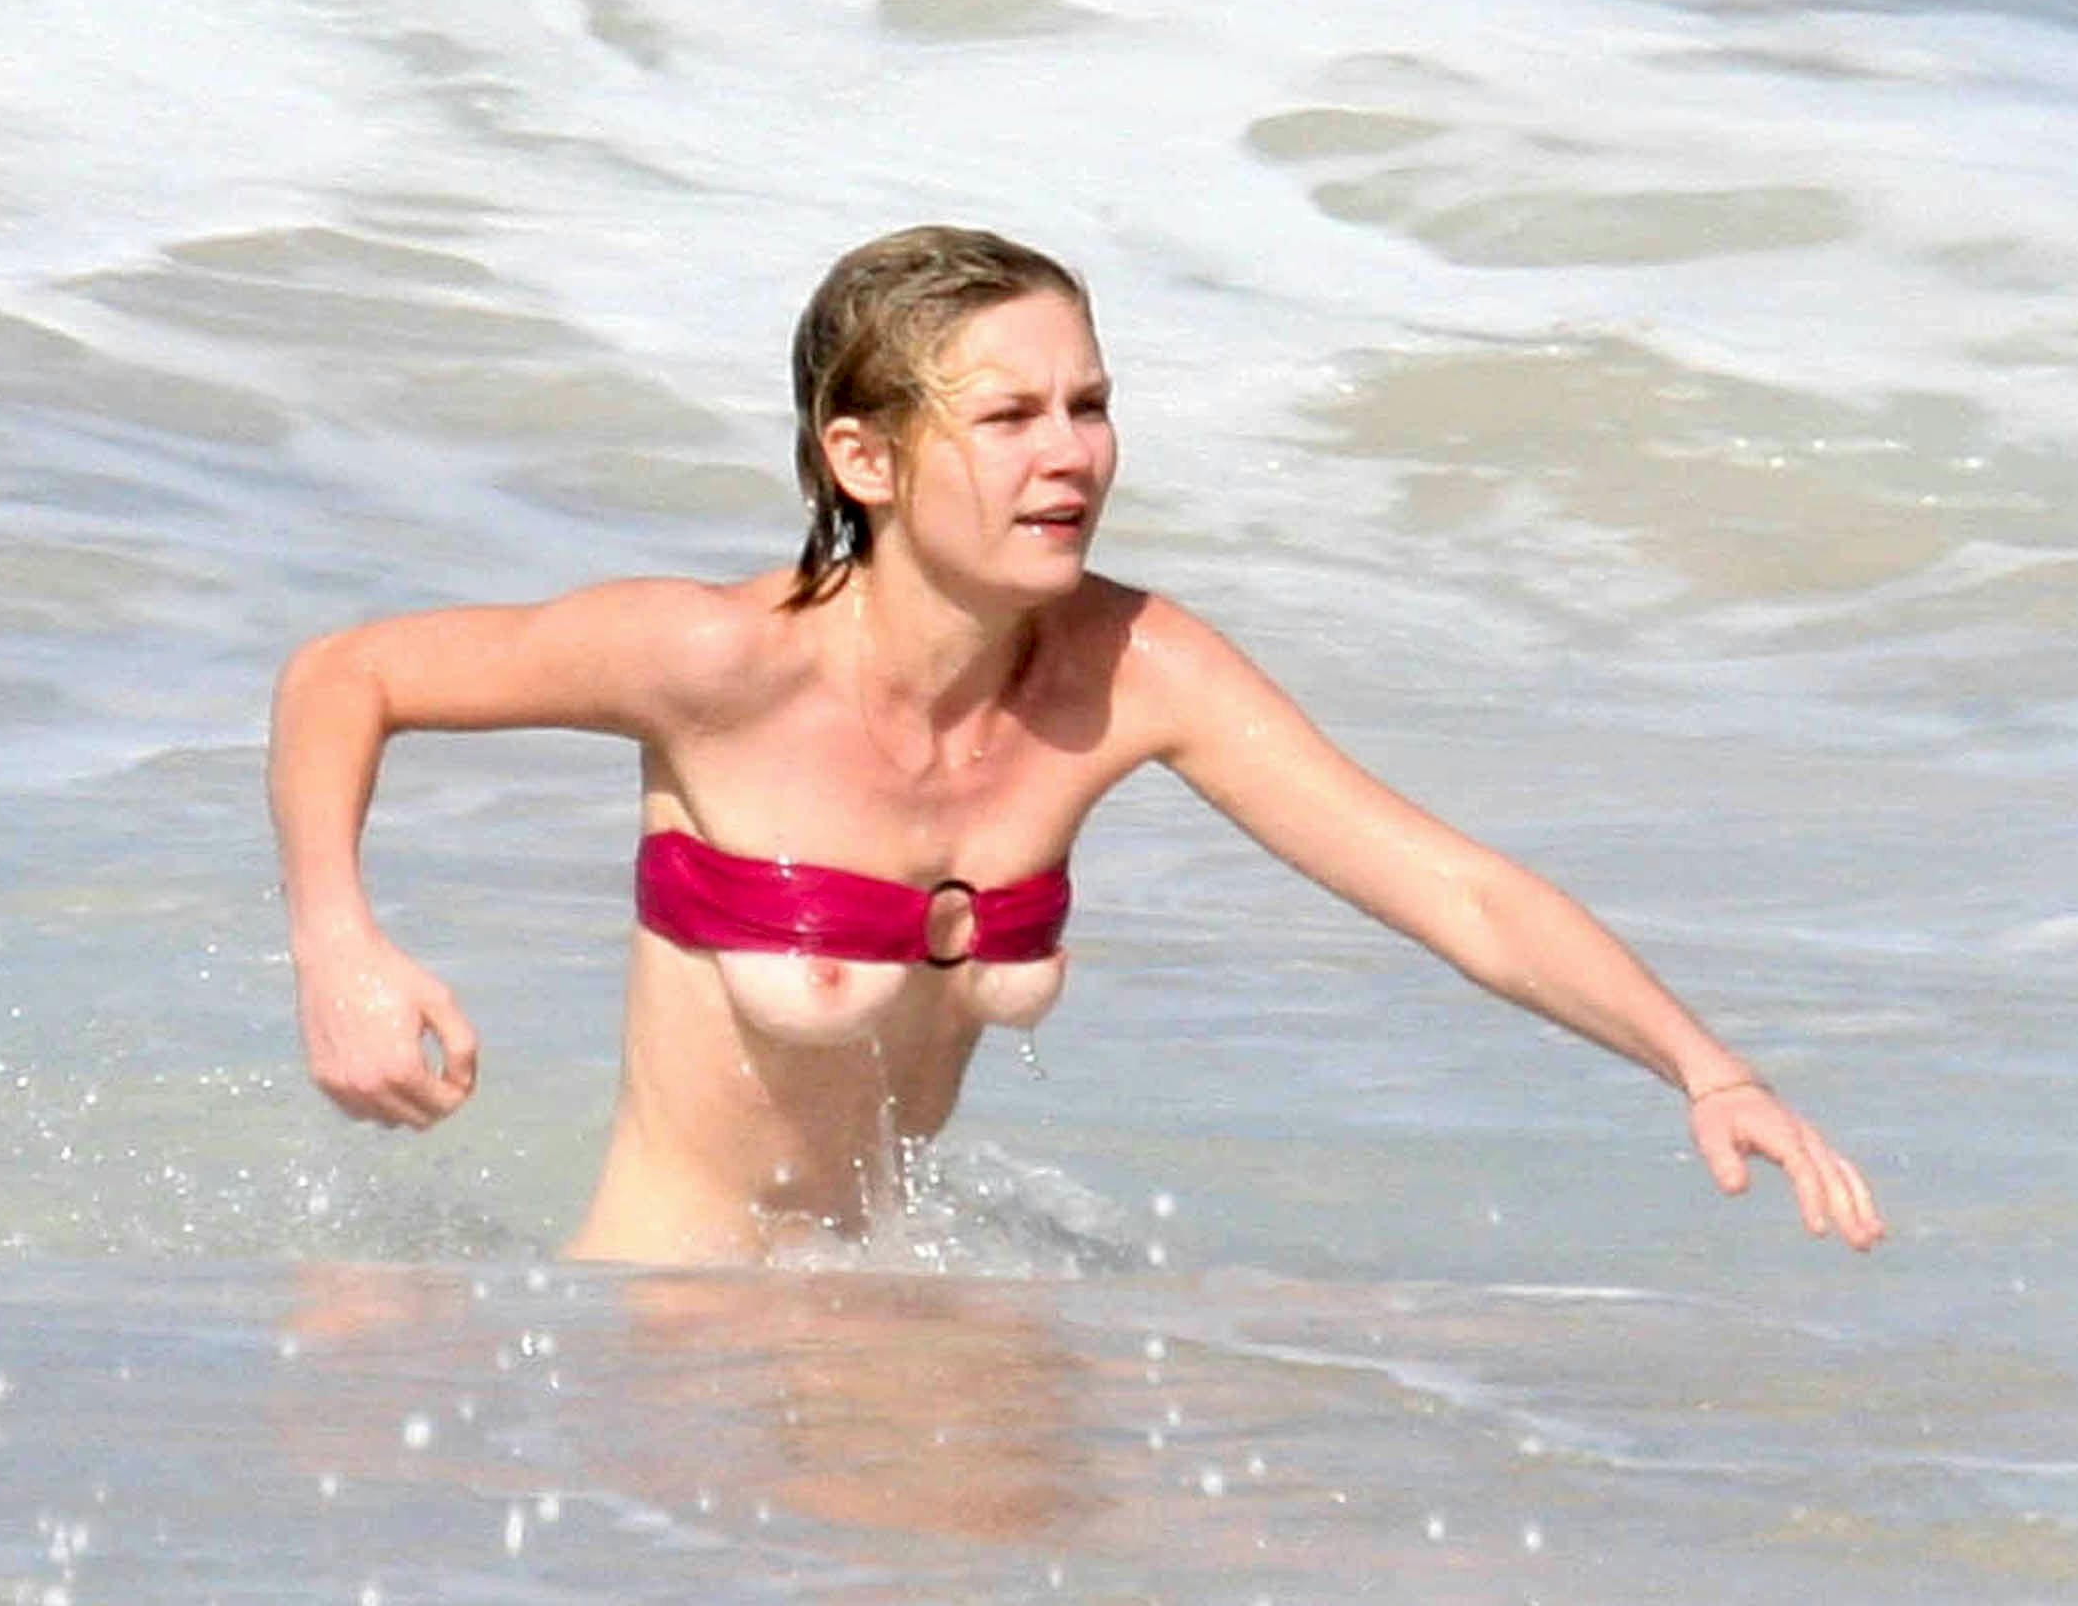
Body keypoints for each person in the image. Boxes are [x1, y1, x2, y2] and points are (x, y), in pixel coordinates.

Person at [268, 224, 1886, 1265]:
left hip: (897, 1298)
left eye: (1091, 405)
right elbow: (347, 674)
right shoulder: (717, 662)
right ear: (864, 458)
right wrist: (341, 946)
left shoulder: (1134, 664)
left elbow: (1448, 885)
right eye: (1009, 416)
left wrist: (1706, 1066)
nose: (1074, 456)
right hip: (673, 1330)